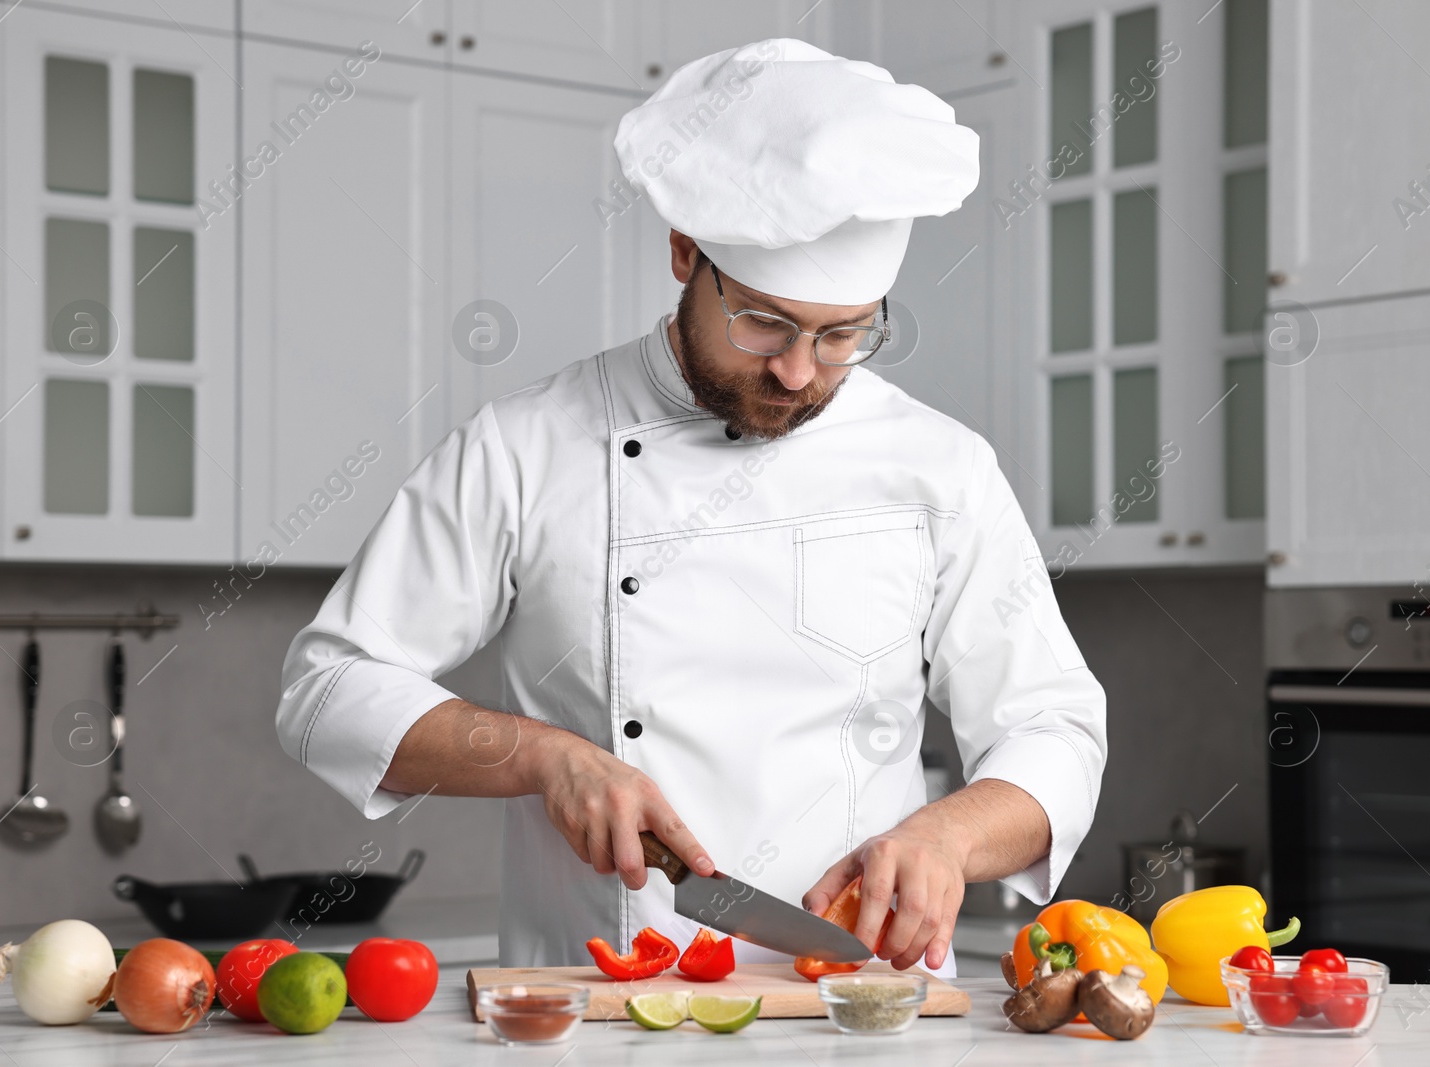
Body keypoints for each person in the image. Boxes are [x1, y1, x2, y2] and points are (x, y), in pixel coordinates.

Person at [276, 38, 1106, 977]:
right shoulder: (526, 447)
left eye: (844, 335)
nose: (798, 372)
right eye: (763, 321)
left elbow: (1054, 730)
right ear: (683, 252)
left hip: (859, 1013)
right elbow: (328, 689)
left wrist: (950, 837)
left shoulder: (939, 467)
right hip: (602, 1010)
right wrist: (545, 758)